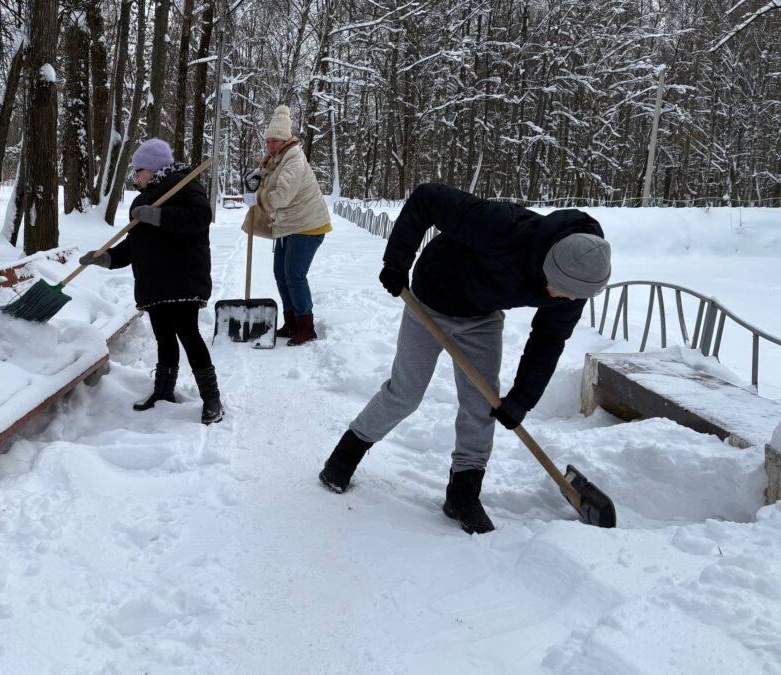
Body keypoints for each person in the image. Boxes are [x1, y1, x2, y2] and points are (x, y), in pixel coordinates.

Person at [317, 183, 612, 534]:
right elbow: (426, 198)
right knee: (406, 392)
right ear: (550, 268)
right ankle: (345, 455)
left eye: (572, 297)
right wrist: (397, 262)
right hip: (429, 300)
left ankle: (463, 492)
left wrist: (522, 400)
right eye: (561, 291)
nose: (565, 300)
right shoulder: (500, 226)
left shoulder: (576, 286)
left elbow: (549, 340)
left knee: (481, 405)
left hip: (482, 317)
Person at [79, 138, 223, 425]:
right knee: (164, 338)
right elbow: (135, 245)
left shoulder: (184, 185)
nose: (135, 176)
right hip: (155, 284)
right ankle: (163, 391)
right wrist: (105, 258)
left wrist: (159, 216)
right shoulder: (141, 199)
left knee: (188, 334)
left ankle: (212, 398)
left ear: (154, 168)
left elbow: (200, 217)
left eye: (138, 170)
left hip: (183, 279)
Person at [240, 105, 332, 346]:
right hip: (288, 225)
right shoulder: (276, 159)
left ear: (285, 140)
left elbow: (281, 196)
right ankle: (291, 322)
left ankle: (306, 326)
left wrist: (258, 198)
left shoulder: (294, 159)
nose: (270, 146)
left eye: (275, 141)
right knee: (280, 274)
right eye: (268, 141)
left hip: (308, 225)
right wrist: (259, 178)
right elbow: (270, 178)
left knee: (294, 275)